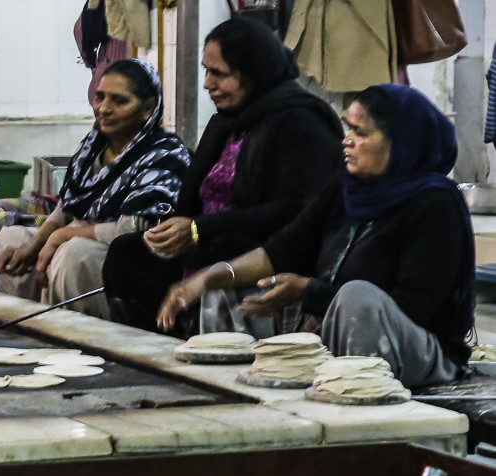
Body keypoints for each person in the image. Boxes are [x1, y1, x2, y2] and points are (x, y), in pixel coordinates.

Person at [157, 84, 473, 388]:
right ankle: (240, 399)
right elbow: (283, 248)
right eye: (348, 129)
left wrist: (310, 292)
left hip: (419, 349)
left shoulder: (435, 204)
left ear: (403, 142)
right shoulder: (347, 187)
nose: (346, 141)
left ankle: (354, 403)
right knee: (224, 289)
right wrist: (209, 278)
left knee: (357, 298)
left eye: (360, 133)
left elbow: (413, 307)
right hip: (333, 327)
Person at [102, 17, 343, 334]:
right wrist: (176, 230)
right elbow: (193, 196)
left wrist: (201, 229)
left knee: (221, 251)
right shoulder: (227, 122)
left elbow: (298, 210)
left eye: (219, 73)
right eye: (205, 70)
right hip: (209, 241)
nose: (206, 83)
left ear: (253, 73)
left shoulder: (301, 123)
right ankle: (157, 350)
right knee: (129, 254)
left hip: (259, 253)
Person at [0, 59, 189, 320]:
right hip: (82, 240)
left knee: (73, 254)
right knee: (10, 240)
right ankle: (33, 327)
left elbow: (135, 228)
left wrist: (61, 236)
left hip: (133, 258)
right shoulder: (93, 147)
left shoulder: (164, 154)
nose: (104, 108)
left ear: (148, 109)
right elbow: (69, 205)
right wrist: (35, 243)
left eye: (119, 101)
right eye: (100, 97)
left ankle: (69, 337)